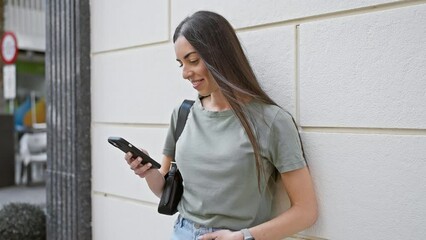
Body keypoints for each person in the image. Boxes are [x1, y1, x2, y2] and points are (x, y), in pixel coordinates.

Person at [125, 10, 318, 240]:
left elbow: (306, 211)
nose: (185, 73)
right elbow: (166, 191)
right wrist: (147, 172)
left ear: (220, 56)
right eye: (181, 64)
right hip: (182, 233)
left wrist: (243, 236)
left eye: (193, 60)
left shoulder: (272, 122)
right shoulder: (183, 114)